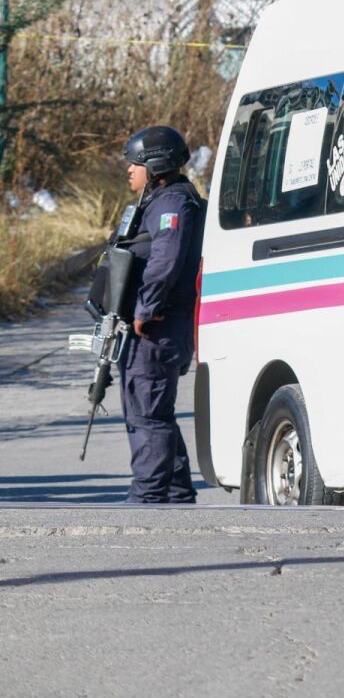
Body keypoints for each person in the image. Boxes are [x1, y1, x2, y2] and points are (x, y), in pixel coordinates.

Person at [119, 126, 204, 503]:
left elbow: (165, 260)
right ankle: (176, 496)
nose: (129, 170)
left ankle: (147, 502)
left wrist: (146, 307)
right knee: (157, 414)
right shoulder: (159, 200)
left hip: (157, 327)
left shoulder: (172, 204)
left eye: (134, 163)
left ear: (155, 165)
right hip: (154, 325)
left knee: (148, 416)